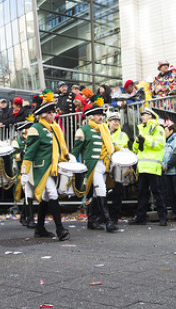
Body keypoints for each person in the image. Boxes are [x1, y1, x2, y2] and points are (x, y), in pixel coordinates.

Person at [21, 101, 71, 241]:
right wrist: (24, 172)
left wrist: (67, 157)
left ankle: (40, 228)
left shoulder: (54, 128)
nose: (52, 115)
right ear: (43, 114)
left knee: (46, 198)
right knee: (52, 194)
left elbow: (60, 147)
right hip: (41, 168)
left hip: (52, 167)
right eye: (49, 113)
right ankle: (60, 229)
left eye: (53, 112)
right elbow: (29, 152)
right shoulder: (36, 128)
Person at [72, 105, 116, 232]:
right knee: (101, 190)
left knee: (97, 193)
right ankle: (108, 222)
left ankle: (91, 221)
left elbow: (109, 146)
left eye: (102, 115)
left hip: (104, 163)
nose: (101, 117)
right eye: (98, 115)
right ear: (91, 116)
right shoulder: (83, 130)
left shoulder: (104, 129)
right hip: (93, 165)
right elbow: (76, 150)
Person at [128, 107, 168, 225]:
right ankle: (140, 218)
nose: (142, 117)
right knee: (142, 194)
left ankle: (163, 218)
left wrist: (145, 141)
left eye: (144, 115)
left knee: (158, 193)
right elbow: (135, 149)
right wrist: (137, 142)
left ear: (150, 116)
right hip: (142, 167)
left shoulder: (158, 129)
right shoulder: (142, 130)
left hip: (153, 167)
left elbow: (160, 144)